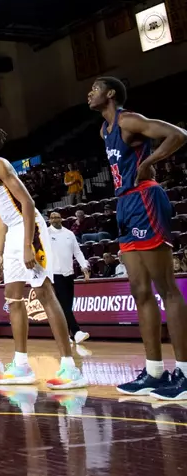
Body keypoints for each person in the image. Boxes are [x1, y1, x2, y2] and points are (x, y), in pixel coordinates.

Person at [0, 126, 87, 389]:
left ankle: (70, 366)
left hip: (29, 228)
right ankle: (21, 365)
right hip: (11, 235)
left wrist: (29, 244)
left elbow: (28, 203)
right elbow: (0, 213)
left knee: (44, 293)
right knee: (13, 298)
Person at [88, 76, 187, 401]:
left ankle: (185, 373)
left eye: (95, 88)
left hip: (145, 198)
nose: (90, 93)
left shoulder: (128, 120)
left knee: (166, 289)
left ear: (111, 93)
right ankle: (154, 371)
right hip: (125, 203)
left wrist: (148, 162)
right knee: (140, 291)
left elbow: (178, 134)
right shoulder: (104, 131)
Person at [47, 210, 91, 343]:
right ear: (49, 220)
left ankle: (65, 335)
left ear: (61, 219)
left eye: (58, 217)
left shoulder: (69, 234)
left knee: (67, 306)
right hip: (55, 274)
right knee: (64, 306)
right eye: (53, 218)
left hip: (69, 274)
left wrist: (84, 267)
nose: (55, 220)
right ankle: (76, 332)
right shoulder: (46, 234)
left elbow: (77, 252)